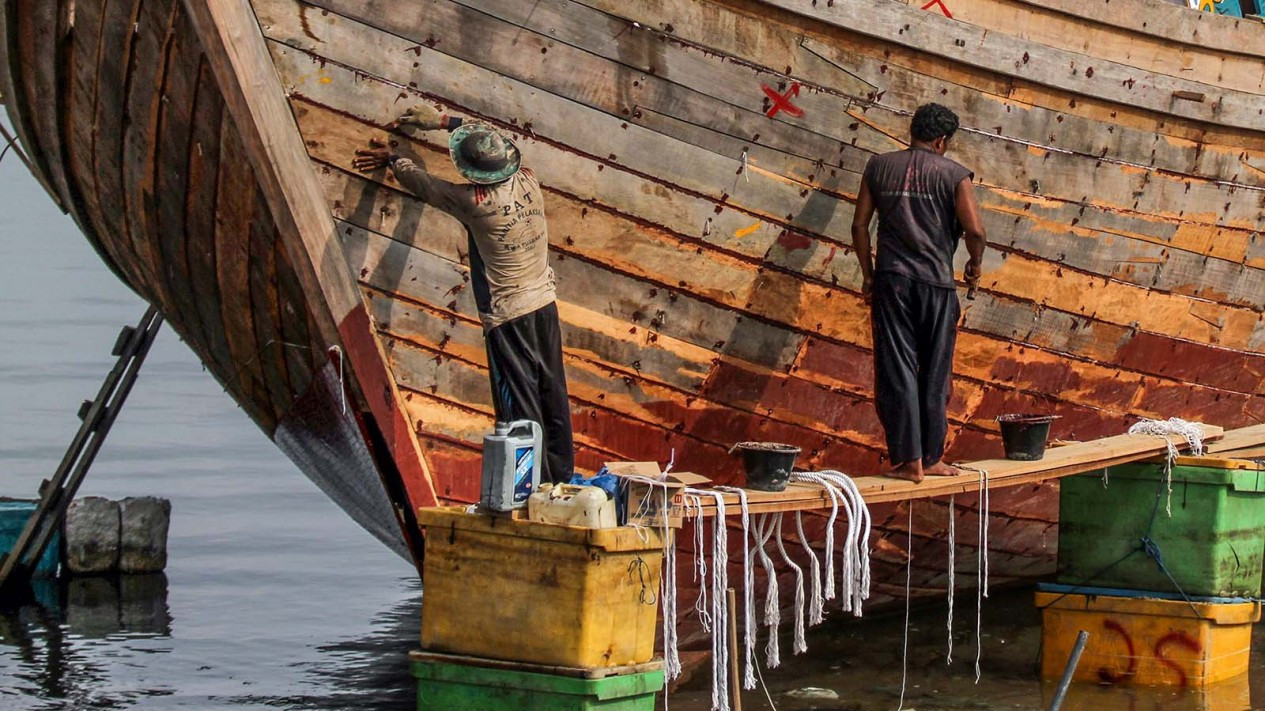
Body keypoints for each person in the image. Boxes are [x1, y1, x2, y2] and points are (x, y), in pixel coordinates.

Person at [353, 105, 575, 484]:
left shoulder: (474, 203)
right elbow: (490, 135)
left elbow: (423, 184)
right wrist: (442, 121)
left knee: (519, 406)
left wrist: (393, 158)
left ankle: (530, 488)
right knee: (552, 393)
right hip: (544, 305)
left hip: (509, 317)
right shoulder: (528, 178)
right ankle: (562, 482)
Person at [850, 103, 986, 483]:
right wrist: (974, 263)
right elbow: (975, 231)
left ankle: (909, 462)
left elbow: (859, 226)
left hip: (892, 281)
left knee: (897, 369)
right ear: (941, 141)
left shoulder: (878, 167)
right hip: (936, 285)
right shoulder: (955, 174)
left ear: (913, 131)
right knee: (935, 372)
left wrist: (868, 274)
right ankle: (932, 458)